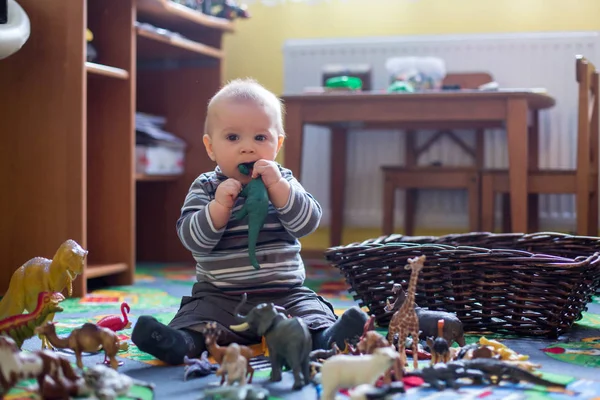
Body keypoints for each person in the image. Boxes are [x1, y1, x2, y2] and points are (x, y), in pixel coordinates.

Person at [131, 78, 368, 366]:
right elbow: (192, 239)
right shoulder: (205, 187)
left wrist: (279, 189)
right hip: (221, 298)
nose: (248, 149)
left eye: (260, 138)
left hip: (285, 295)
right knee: (198, 319)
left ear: (277, 144)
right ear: (210, 147)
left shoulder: (283, 181)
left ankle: (325, 338)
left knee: (311, 313)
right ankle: (179, 343)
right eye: (232, 138)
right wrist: (218, 208)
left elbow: (307, 223)